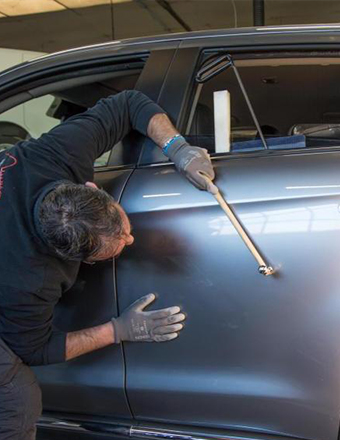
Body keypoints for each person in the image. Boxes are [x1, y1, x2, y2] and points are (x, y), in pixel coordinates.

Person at [0, 90, 218, 439]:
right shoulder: (26, 280)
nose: (130, 240)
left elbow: (129, 103)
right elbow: (33, 348)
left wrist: (177, 149)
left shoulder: (56, 154)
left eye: (124, 228)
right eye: (113, 251)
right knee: (15, 399)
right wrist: (118, 330)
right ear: (74, 260)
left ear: (90, 187)